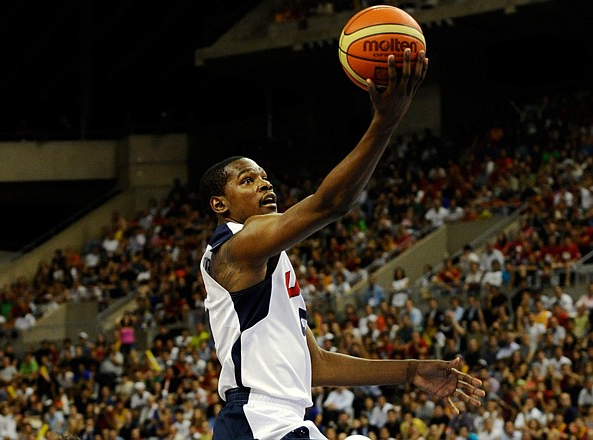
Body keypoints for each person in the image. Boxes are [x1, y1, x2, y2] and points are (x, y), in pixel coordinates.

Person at [198, 49, 484, 440]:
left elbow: (317, 365)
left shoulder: (270, 261)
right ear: (220, 204)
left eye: (264, 177)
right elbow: (331, 204)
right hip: (259, 422)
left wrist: (410, 370)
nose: (265, 184)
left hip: (277, 423)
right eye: (247, 180)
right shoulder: (234, 248)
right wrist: (384, 122)